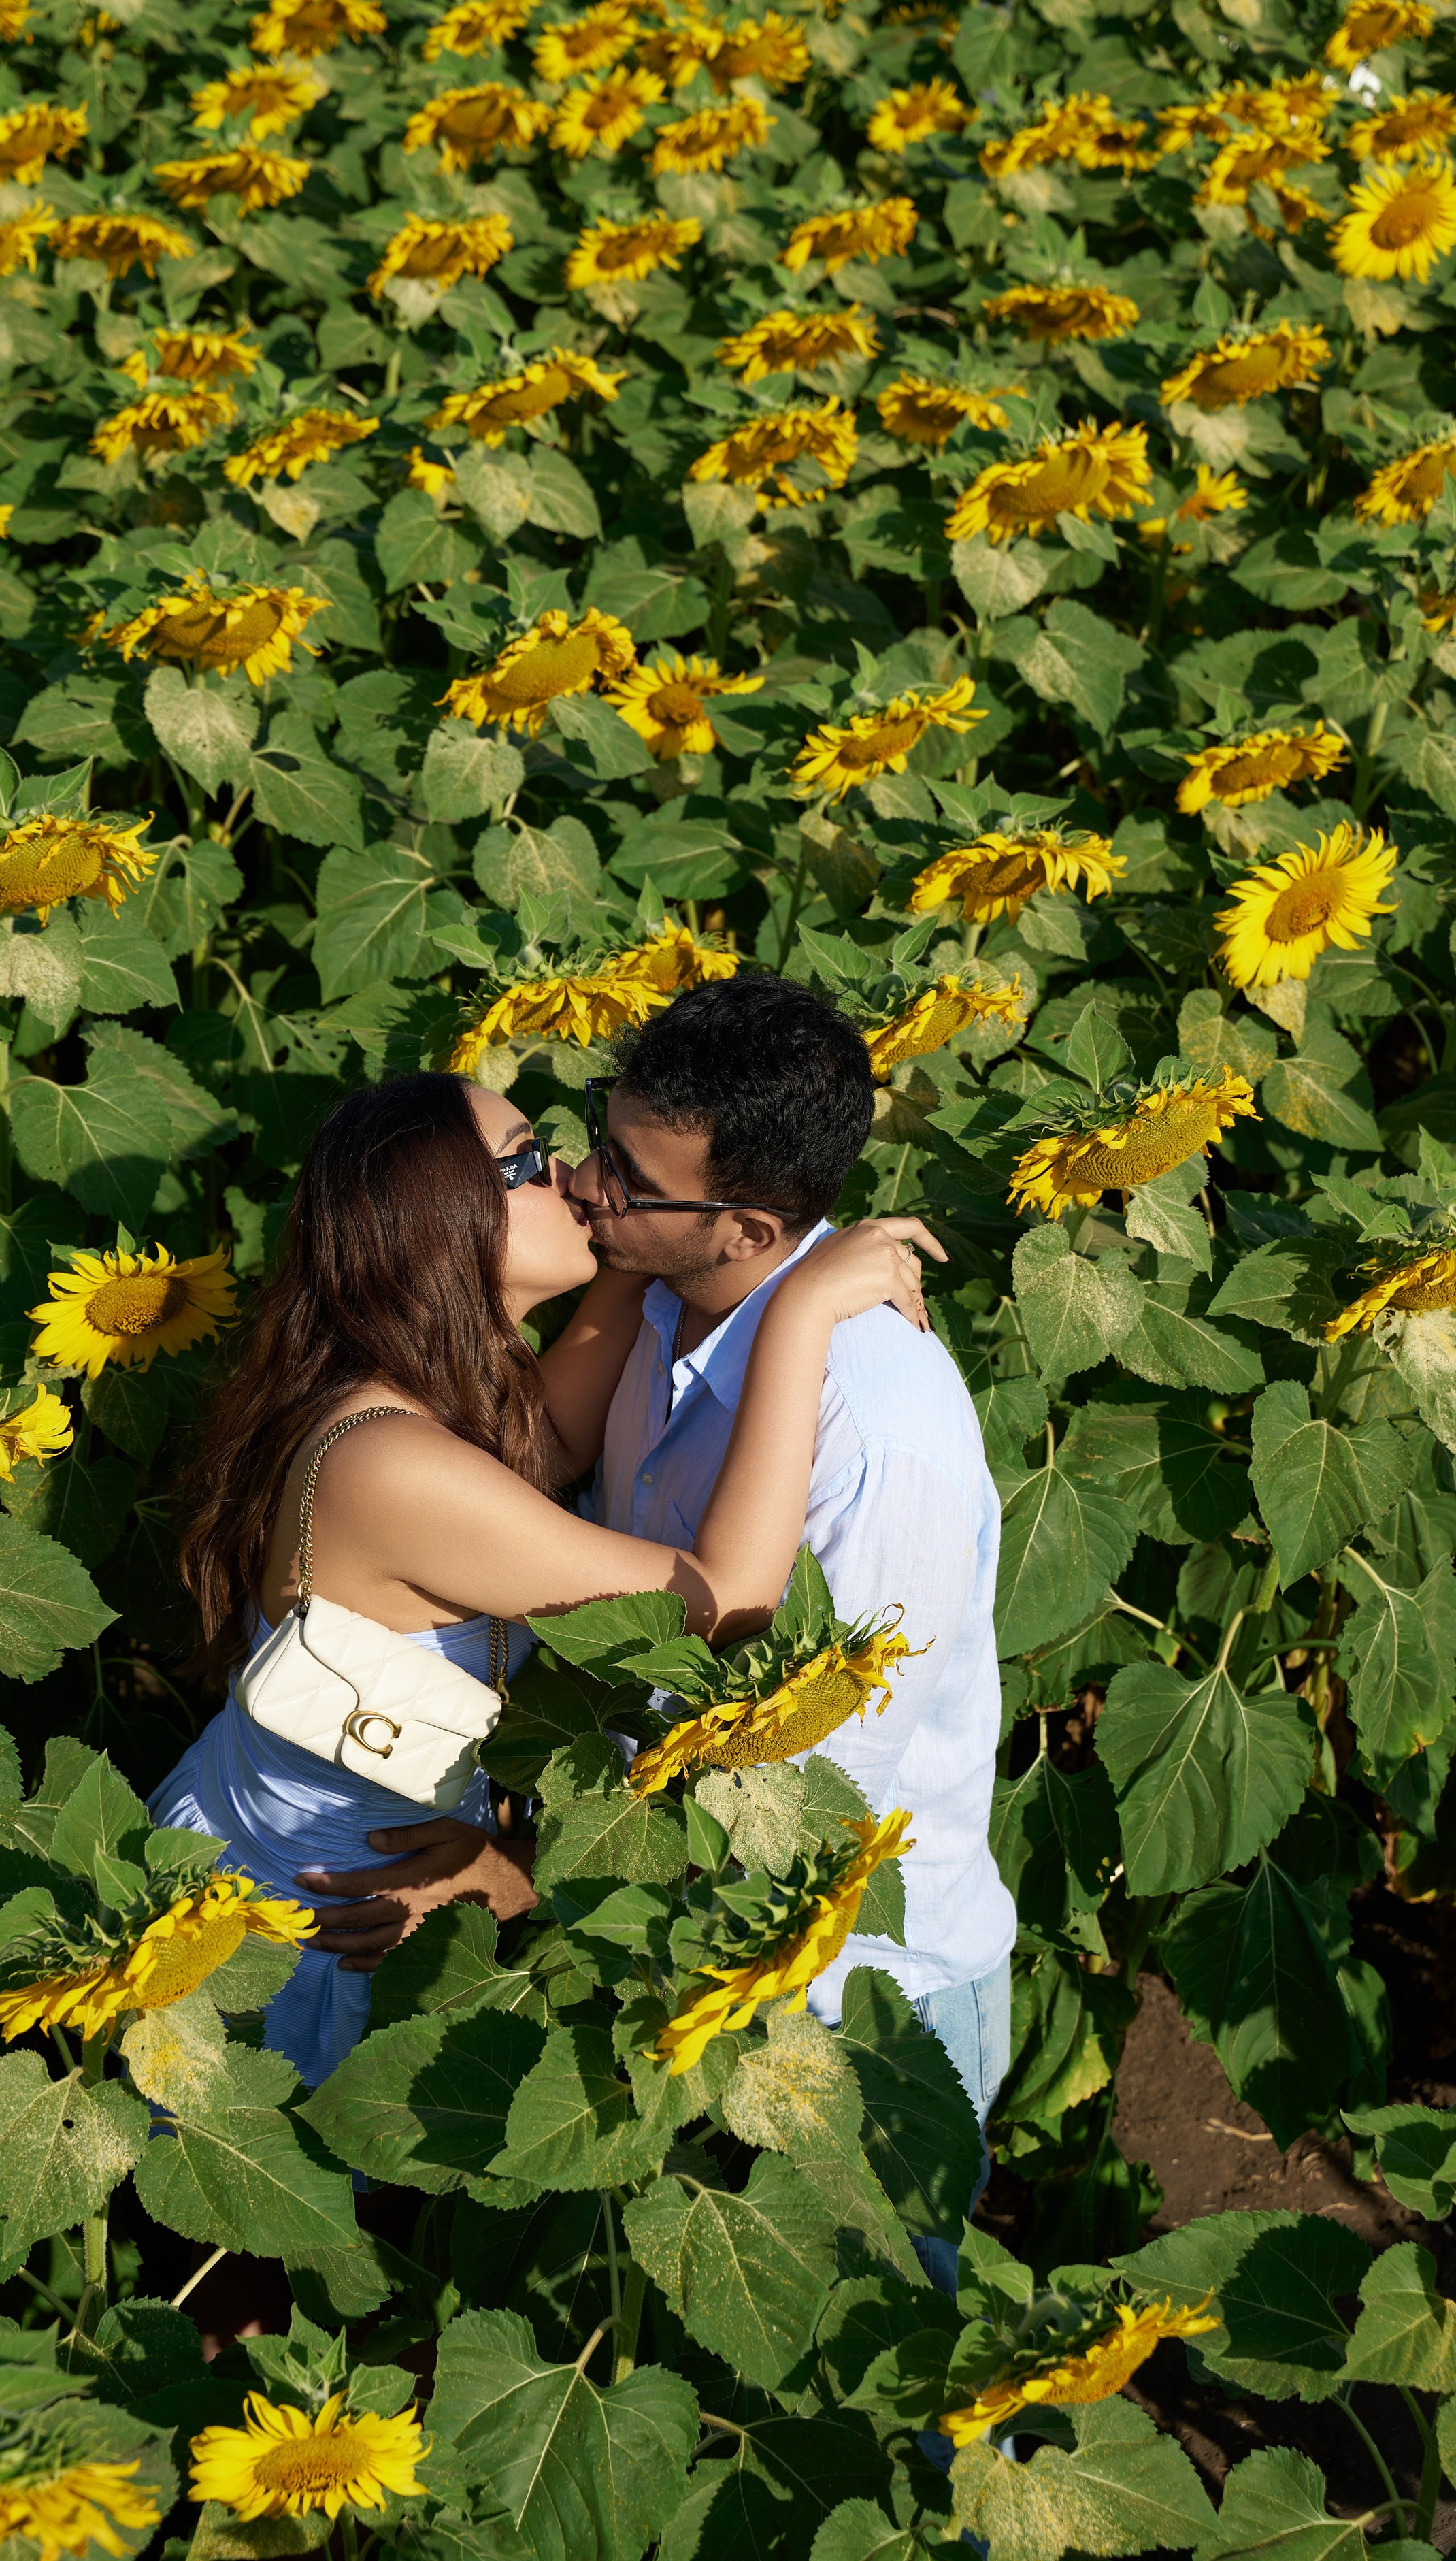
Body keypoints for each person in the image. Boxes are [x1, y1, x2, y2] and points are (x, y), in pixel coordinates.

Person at [160, 1068, 931, 2088]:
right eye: (523, 1162)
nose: (568, 1175)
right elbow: (719, 1595)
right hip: (308, 1924)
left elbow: (555, 1442)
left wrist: (641, 1236)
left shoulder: (397, 1389)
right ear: (440, 1221)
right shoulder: (395, 1469)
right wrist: (800, 1313)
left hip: (324, 1865)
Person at [567, 975, 1016, 2291]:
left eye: (631, 1177)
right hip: (670, 1914)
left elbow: (813, 1785)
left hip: (855, 1990)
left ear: (751, 1225)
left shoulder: (884, 1440)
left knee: (879, 2396)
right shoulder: (657, 1300)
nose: (592, 1186)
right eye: (601, 1137)